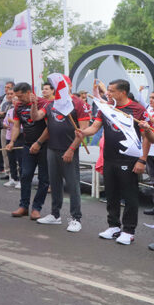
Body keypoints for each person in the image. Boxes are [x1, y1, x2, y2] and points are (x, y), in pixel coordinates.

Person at [75, 79, 150, 245]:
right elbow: (95, 127)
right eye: (107, 90)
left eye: (111, 91)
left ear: (122, 92)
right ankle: (113, 226)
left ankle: (129, 230)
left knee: (129, 195)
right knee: (111, 194)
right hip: (109, 157)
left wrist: (142, 159)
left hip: (129, 159)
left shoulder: (137, 109)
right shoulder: (106, 107)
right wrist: (83, 132)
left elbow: (148, 137)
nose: (107, 93)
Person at [30, 82, 91, 232]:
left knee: (72, 184)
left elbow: (83, 130)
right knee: (55, 183)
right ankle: (55, 214)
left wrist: (71, 149)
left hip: (69, 149)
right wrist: (33, 104)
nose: (59, 89)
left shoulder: (78, 103)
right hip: (52, 148)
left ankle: (76, 218)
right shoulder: (51, 103)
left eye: (62, 85)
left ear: (69, 86)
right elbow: (36, 117)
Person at [6, 83, 50, 221]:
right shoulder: (18, 106)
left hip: (44, 145)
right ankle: (23, 206)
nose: (18, 99)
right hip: (27, 145)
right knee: (25, 175)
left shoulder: (43, 103)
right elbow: (16, 126)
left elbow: (50, 127)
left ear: (28, 92)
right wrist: (12, 142)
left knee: (43, 179)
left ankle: (37, 208)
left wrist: (39, 143)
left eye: (20, 96)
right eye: (16, 96)